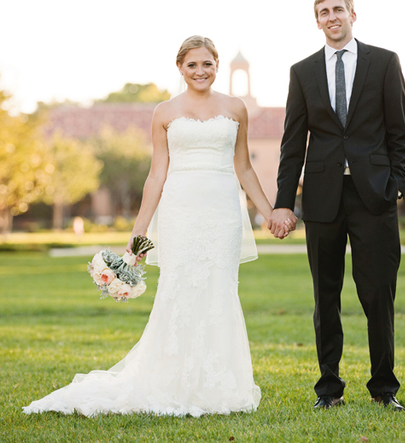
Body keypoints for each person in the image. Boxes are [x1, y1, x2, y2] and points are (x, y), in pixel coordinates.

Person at [24, 36, 278, 417]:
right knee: (178, 289)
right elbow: (156, 175)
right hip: (180, 210)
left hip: (223, 210)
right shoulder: (164, 111)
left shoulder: (235, 108)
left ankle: (217, 383)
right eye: (192, 65)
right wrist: (138, 236)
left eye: (207, 64)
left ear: (217, 66)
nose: (200, 71)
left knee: (219, 290)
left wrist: (270, 212)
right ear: (180, 68)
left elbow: (244, 166)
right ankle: (170, 381)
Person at [268, 0, 405, 411]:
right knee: (324, 296)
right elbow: (292, 144)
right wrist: (282, 202)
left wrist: (397, 185)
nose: (332, 17)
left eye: (338, 10)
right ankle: (329, 389)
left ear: (353, 14)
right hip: (323, 198)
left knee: (378, 294)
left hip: (374, 197)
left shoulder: (385, 62)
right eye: (323, 12)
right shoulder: (302, 72)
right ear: (317, 21)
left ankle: (385, 389)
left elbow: (399, 133)